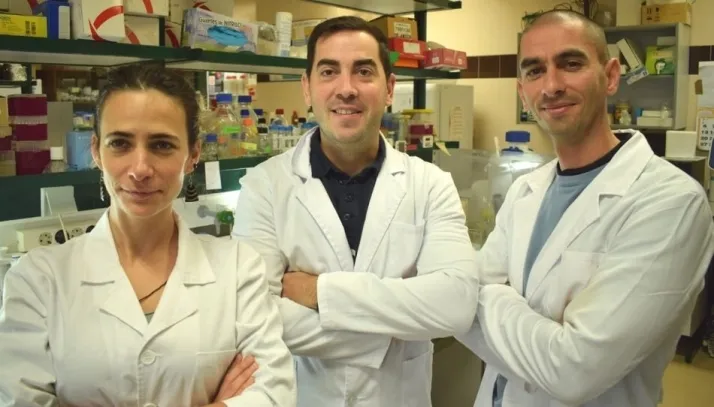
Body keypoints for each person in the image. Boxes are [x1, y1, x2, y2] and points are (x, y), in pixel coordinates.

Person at [456, 10, 714, 407]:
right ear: (523, 92)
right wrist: (522, 317)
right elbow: (459, 300)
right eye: (535, 71)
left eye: (571, 64)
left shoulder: (671, 203)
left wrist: (483, 296)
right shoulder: (526, 189)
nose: (552, 85)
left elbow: (574, 369)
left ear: (610, 76)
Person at [0, 64, 296, 407]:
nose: (140, 169)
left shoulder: (239, 268)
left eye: (162, 145)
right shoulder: (38, 279)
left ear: (193, 155)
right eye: (120, 143)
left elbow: (274, 393)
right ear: (96, 151)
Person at [231, 15, 478, 407]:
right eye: (329, 71)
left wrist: (318, 291)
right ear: (307, 88)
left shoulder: (430, 184)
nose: (346, 89)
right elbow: (251, 316)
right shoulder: (265, 186)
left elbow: (456, 304)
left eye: (363, 71)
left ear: (389, 88)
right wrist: (391, 331)